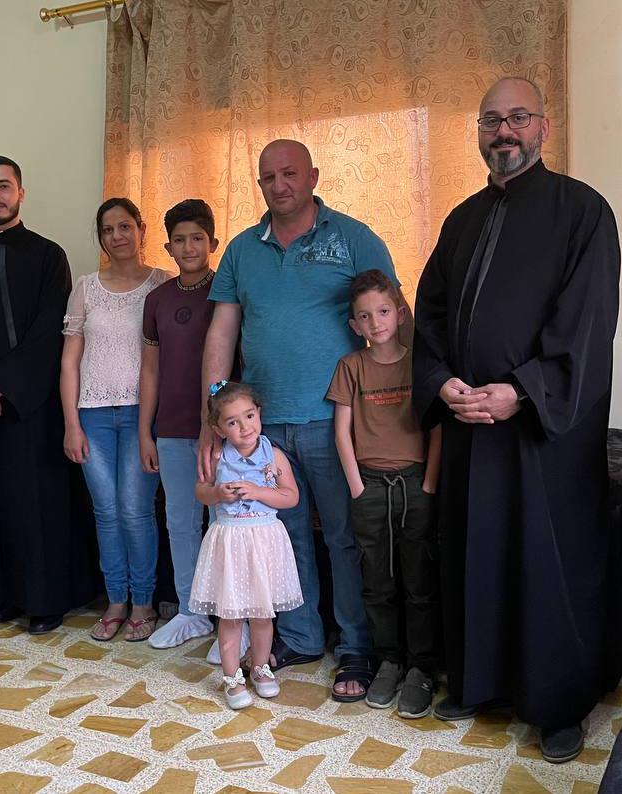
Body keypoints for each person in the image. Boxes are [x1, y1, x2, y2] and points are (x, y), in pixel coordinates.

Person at [412, 77, 620, 763]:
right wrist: (442, 384)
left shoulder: (583, 211)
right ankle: (478, 683)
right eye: (492, 120)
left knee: (546, 564)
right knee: (475, 554)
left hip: (542, 434)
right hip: (469, 427)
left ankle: (558, 703)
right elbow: (430, 313)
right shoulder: (462, 220)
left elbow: (586, 323)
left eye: (518, 118)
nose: (504, 131)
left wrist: (522, 392)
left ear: (543, 128)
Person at [200, 139, 398, 702]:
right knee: (282, 540)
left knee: (342, 537)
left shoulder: (353, 238)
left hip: (334, 422)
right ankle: (301, 637)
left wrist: (391, 406)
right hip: (257, 432)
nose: (279, 185)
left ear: (313, 175)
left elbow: (388, 319)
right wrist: (212, 418)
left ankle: (355, 646)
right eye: (268, 177)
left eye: (289, 173)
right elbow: (222, 334)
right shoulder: (242, 249)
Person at [0, 155, 96, 635]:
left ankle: (45, 600)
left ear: (20, 193)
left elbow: (50, 330)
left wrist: (2, 385)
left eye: (4, 185)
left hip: (31, 408)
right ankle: (4, 596)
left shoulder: (48, 256)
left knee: (37, 505)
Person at [327, 269, 441, 718]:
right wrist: (356, 486)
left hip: (415, 483)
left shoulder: (421, 365)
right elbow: (342, 432)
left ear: (399, 313)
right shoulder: (351, 367)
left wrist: (430, 483)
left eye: (383, 311)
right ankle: (389, 661)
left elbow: (437, 428)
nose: (375, 322)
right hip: (370, 486)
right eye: (365, 316)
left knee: (418, 581)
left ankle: (422, 667)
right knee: (377, 582)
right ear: (354, 324)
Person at [62, 198, 169, 642]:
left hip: (144, 415)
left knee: (136, 510)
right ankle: (116, 601)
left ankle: (143, 603)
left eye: (125, 226)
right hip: (92, 415)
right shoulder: (85, 287)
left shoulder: (162, 283)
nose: (117, 236)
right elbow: (69, 362)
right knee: (106, 512)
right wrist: (71, 423)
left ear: (141, 229)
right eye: (108, 230)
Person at [139, 199, 223, 649]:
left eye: (197, 238)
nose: (189, 247)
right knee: (180, 522)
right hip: (170, 429)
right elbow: (150, 370)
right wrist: (144, 431)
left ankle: (232, 617)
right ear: (168, 247)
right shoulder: (158, 299)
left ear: (213, 242)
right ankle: (192, 611)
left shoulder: (227, 291)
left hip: (221, 431)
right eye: (179, 240)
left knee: (225, 523)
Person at [189, 381, 302, 709]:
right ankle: (231, 677)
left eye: (249, 416)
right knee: (231, 615)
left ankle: (261, 667)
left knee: (263, 614)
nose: (244, 427)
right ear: (218, 429)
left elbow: (291, 496)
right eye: (233, 422)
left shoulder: (273, 455)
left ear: (259, 413)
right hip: (231, 542)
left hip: (264, 541)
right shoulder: (218, 456)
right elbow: (200, 490)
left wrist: (259, 492)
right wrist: (216, 494)